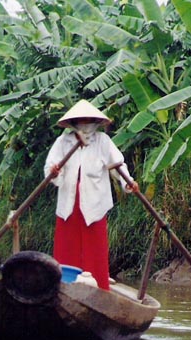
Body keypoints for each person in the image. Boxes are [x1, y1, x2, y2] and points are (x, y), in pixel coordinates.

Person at [44, 100, 139, 290]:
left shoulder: (103, 142)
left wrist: (128, 182)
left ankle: (98, 288)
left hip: (94, 202)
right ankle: (63, 286)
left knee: (95, 250)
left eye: (88, 121)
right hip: (69, 203)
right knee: (67, 247)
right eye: (81, 121)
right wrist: (54, 173)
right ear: (74, 123)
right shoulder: (63, 142)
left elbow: (118, 166)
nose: (85, 124)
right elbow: (50, 167)